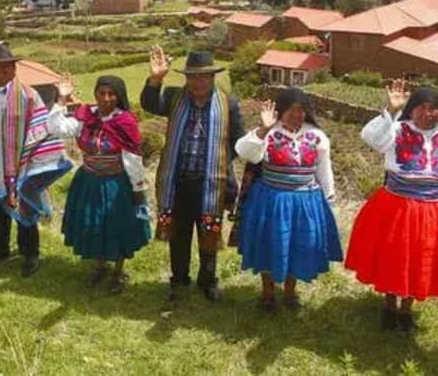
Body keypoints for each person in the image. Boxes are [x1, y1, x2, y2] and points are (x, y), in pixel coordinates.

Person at [344, 80, 438, 332]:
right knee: (394, 257)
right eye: (422, 107)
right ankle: (390, 306)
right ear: (411, 109)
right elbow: (370, 137)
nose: (428, 113)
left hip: (435, 210)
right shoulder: (397, 130)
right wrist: (391, 111)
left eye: (434, 108)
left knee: (420, 260)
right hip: (397, 207)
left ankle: (406, 310)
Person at [0, 43, 72, 277]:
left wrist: (28, 160)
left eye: (6, 66)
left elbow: (41, 127)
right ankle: (0, 251)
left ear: (13, 69)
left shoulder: (28, 96)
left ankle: (30, 254)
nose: (1, 71)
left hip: (21, 164)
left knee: (25, 209)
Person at [141, 46, 244, 302]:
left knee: (209, 233)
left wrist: (218, 162)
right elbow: (149, 103)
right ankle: (179, 280)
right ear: (186, 78)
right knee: (179, 233)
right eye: (193, 77)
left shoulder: (227, 103)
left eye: (204, 77)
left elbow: (238, 141)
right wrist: (156, 79)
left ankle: (208, 280)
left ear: (213, 78)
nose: (198, 82)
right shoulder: (175, 98)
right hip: (178, 182)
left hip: (211, 184)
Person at [234, 88, 342, 311]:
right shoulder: (269, 134)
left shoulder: (317, 136)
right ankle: (268, 293)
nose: (297, 115)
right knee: (268, 243)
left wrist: (329, 199)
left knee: (298, 245)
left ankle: (291, 292)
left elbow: (324, 170)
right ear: (280, 111)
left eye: (302, 110)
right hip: (271, 200)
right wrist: (264, 128)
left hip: (306, 201)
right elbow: (245, 152)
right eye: (291, 110)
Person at [47, 74, 152, 293]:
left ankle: (118, 271)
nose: (106, 98)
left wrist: (137, 188)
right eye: (101, 93)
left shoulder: (125, 122)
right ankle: (100, 265)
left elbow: (133, 158)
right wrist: (62, 98)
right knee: (93, 223)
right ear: (95, 94)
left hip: (117, 183)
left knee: (118, 224)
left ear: (119, 96)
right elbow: (57, 128)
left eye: (111, 94)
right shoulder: (85, 117)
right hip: (89, 180)